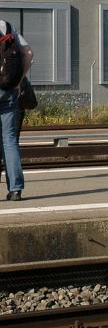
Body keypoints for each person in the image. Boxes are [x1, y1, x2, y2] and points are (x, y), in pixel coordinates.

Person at [0, 19, 32, 201]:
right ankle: (15, 190)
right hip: (8, 90)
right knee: (9, 140)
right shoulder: (7, 26)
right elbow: (29, 53)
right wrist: (18, 82)